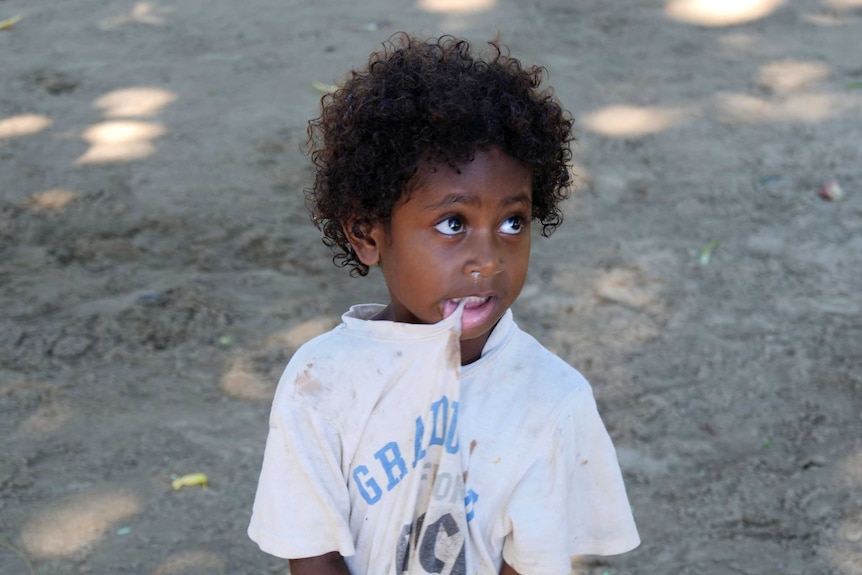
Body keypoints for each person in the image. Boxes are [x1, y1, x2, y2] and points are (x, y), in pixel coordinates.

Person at [248, 33, 639, 575]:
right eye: (453, 224)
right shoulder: (321, 382)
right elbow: (310, 548)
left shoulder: (553, 401)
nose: (489, 260)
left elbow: (532, 563)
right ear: (367, 233)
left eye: (512, 222)